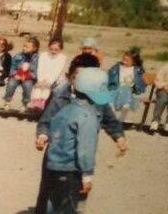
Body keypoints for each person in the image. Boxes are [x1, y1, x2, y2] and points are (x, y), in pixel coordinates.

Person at [34, 53, 127, 213]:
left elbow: (110, 120)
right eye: (76, 77)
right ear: (68, 76)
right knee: (48, 194)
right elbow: (45, 122)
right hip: (57, 156)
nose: (79, 82)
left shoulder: (98, 102)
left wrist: (119, 136)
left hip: (77, 162)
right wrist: (42, 135)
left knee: (76, 197)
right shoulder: (59, 98)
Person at [107, 47, 146, 125]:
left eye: (127, 60)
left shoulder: (136, 70)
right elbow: (110, 76)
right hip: (116, 88)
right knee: (112, 94)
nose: (124, 62)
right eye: (123, 59)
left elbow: (140, 83)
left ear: (133, 62)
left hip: (129, 91)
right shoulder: (117, 67)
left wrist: (139, 90)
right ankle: (112, 117)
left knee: (127, 90)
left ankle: (122, 115)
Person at [3, 36, 39, 111]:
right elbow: (12, 66)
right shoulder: (18, 56)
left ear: (34, 49)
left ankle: (25, 103)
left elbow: (35, 71)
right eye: (24, 46)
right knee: (11, 84)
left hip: (28, 77)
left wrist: (27, 76)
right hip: (17, 75)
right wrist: (14, 74)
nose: (24, 48)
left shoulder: (36, 58)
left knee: (27, 86)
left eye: (27, 47)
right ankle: (7, 101)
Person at [32, 38, 68, 111]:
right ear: (48, 47)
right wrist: (40, 81)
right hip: (42, 79)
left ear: (61, 49)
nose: (53, 51)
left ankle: (42, 104)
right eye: (51, 49)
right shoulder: (43, 55)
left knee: (46, 90)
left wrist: (49, 82)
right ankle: (35, 104)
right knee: (38, 89)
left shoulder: (62, 58)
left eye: (56, 50)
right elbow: (40, 68)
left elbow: (57, 72)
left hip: (54, 80)